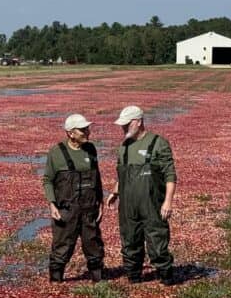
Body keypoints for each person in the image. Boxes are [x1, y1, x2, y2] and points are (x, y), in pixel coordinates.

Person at [106, 105, 177, 285]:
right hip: (128, 205)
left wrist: (167, 201)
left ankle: (165, 275)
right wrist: (115, 191)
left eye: (126, 124)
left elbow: (170, 174)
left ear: (138, 122)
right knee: (129, 242)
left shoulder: (158, 143)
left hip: (152, 203)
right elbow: (121, 173)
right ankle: (134, 276)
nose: (123, 128)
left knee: (157, 241)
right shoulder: (124, 147)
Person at [42, 114, 105, 283]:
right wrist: (52, 204)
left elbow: (96, 177)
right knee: (62, 247)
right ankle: (56, 281)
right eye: (82, 129)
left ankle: (98, 280)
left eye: (87, 128)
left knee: (93, 245)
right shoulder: (56, 152)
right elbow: (47, 180)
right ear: (70, 133)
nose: (87, 132)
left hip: (89, 207)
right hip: (66, 209)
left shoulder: (91, 149)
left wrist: (101, 202)